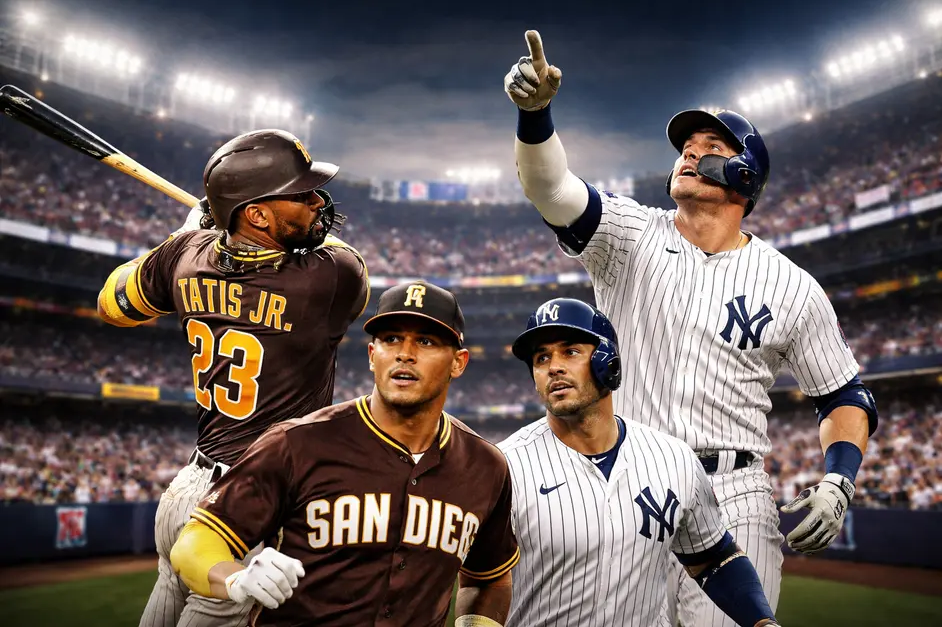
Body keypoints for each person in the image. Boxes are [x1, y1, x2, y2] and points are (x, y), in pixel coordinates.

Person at [502, 31, 878, 627]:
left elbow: (843, 394)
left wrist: (839, 479)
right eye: (684, 145)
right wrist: (534, 114)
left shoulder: (792, 284)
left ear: (744, 173)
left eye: (709, 145)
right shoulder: (629, 234)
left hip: (734, 491)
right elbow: (550, 188)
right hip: (629, 481)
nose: (687, 152)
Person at [96, 129, 370, 627]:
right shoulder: (328, 278)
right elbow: (349, 258)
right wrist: (210, 230)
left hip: (187, 490)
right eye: (300, 194)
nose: (316, 202)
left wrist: (183, 240)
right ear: (258, 215)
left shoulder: (183, 258)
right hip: (248, 505)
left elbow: (112, 304)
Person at [168, 281, 519, 627]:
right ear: (371, 355)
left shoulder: (485, 466)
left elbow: (489, 577)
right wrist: (234, 579)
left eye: (425, 341)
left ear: (458, 363)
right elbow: (195, 542)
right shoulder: (297, 443)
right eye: (391, 339)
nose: (404, 353)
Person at [499, 297, 780, 627]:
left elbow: (713, 558)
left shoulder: (673, 458)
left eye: (570, 351)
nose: (553, 366)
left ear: (608, 362)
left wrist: (761, 621)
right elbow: (476, 579)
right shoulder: (505, 465)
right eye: (541, 357)